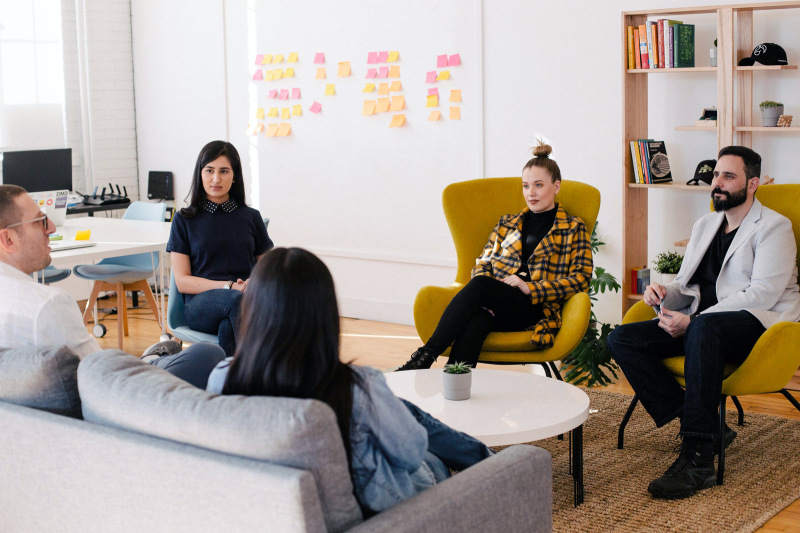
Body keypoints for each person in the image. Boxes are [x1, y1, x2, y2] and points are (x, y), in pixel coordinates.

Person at [206, 247, 493, 514]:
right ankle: (497, 465)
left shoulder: (223, 376)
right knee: (428, 454)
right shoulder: (354, 386)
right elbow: (411, 452)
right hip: (381, 507)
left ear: (253, 310)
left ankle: (483, 456)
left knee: (399, 408)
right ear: (324, 314)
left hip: (276, 506)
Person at [607, 146, 800, 500]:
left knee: (703, 329)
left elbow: (762, 295)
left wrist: (693, 320)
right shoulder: (706, 224)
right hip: (702, 327)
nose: (718, 183)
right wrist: (664, 293)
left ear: (752, 183)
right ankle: (706, 425)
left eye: (729, 176)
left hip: (758, 326)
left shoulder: (774, 227)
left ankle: (698, 460)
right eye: (716, 175)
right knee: (622, 338)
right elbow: (688, 283)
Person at [0, 184, 225, 389]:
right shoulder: (47, 306)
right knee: (206, 353)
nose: (51, 228)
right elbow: (101, 376)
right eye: (39, 221)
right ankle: (149, 363)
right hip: (120, 397)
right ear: (8, 239)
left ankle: (148, 361)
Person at [397, 141, 593, 371]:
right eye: (526, 186)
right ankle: (454, 384)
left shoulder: (572, 228)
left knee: (480, 285)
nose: (531, 193)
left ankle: (425, 356)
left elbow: (581, 278)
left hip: (535, 308)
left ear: (556, 186)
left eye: (538, 185)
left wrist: (531, 287)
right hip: (497, 302)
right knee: (477, 321)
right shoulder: (507, 223)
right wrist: (495, 289)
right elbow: (483, 262)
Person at [167, 140, 273, 357]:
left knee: (228, 327)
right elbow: (183, 282)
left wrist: (255, 281)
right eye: (209, 171)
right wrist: (230, 286)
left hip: (242, 302)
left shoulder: (251, 217)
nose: (216, 179)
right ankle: (268, 372)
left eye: (224, 171)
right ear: (200, 174)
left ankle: (228, 385)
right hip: (200, 306)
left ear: (234, 176)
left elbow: (271, 268)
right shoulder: (184, 219)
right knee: (237, 302)